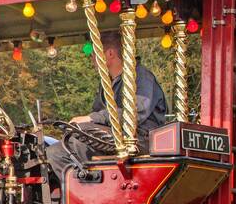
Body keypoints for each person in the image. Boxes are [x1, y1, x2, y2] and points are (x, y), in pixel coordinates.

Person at [46, 29, 168, 176]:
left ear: (109, 54)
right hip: (116, 135)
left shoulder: (140, 76)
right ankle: (77, 194)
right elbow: (97, 115)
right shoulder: (106, 83)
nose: (92, 59)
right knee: (55, 152)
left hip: (141, 138)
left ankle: (98, 188)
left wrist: (91, 119)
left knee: (81, 142)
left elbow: (134, 114)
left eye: (94, 55)